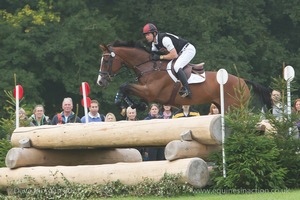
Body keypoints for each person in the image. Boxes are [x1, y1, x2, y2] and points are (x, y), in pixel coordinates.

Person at [143, 23, 196, 98]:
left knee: (177, 66)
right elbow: (152, 55)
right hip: (180, 53)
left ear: (154, 33)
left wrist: (160, 57)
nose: (146, 37)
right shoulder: (154, 44)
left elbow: (174, 55)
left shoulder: (164, 39)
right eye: (145, 35)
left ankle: (187, 89)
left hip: (188, 50)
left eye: (148, 34)